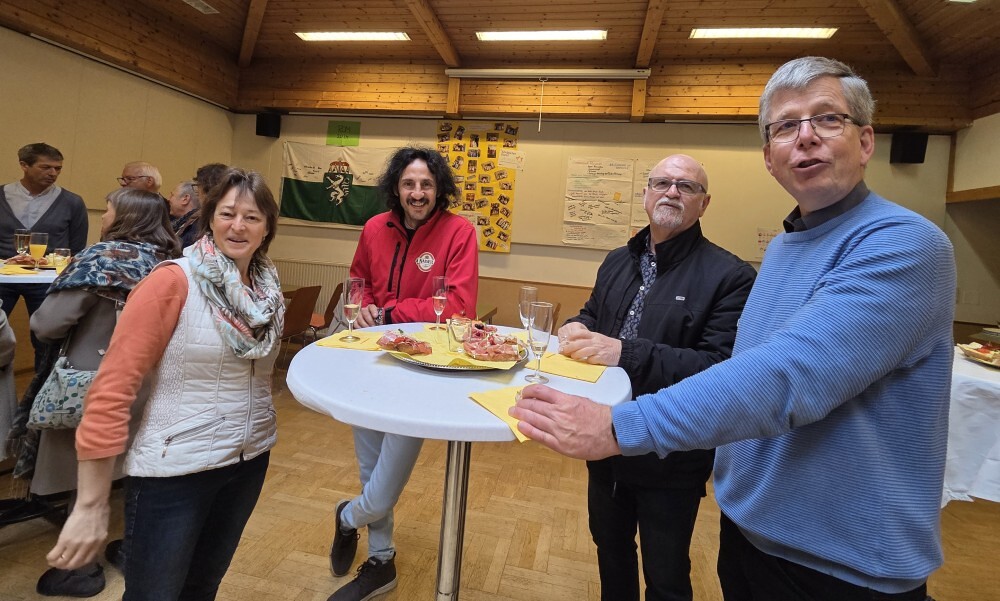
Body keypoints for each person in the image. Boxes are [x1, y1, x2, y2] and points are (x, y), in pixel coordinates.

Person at [512, 56, 956, 601]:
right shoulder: (786, 249)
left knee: (666, 575)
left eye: (827, 118)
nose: (806, 136)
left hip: (841, 564)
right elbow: (745, 367)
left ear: (865, 142)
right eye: (785, 126)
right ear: (769, 157)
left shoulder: (903, 244)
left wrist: (620, 425)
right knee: (611, 548)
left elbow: (785, 376)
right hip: (750, 531)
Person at [46, 168, 286, 601]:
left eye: (251, 217)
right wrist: (91, 504)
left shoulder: (266, 291)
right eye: (227, 213)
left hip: (247, 461)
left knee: (201, 589)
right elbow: (111, 390)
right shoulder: (172, 281)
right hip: (175, 470)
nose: (238, 226)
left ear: (267, 227)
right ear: (210, 219)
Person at [558, 154, 755, 601]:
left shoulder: (731, 276)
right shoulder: (617, 260)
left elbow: (718, 367)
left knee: (666, 574)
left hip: (671, 452)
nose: (672, 192)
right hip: (606, 437)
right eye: (662, 183)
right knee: (610, 550)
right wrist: (575, 325)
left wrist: (624, 352)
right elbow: (593, 315)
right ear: (646, 194)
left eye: (687, 186)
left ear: (704, 204)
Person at [328, 146, 478, 601]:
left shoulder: (459, 232)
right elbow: (358, 284)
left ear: (439, 189)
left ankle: (348, 517)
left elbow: (459, 306)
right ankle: (381, 560)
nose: (417, 193)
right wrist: (364, 306)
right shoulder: (374, 228)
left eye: (426, 184)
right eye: (409, 183)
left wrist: (390, 312)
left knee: (386, 480)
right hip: (370, 361)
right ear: (395, 187)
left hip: (421, 369)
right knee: (370, 467)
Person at [28, 188, 181, 597]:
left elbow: (46, 325)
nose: (104, 215)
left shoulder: (101, 259)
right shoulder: (171, 263)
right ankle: (133, 551)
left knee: (86, 477)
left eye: (109, 208)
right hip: (154, 385)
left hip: (96, 382)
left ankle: (81, 569)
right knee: (136, 473)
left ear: (124, 216)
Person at [0, 143, 88, 371]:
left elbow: (77, 248)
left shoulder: (72, 202)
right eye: (46, 167)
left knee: (46, 341)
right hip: (3, 277)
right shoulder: (2, 195)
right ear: (24, 165)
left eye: (58, 168)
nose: (53, 173)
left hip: (47, 280)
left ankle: (41, 389)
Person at [166, 180, 201, 248]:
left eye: (172, 195)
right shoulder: (181, 223)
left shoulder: (194, 229)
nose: (168, 199)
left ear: (185, 199)